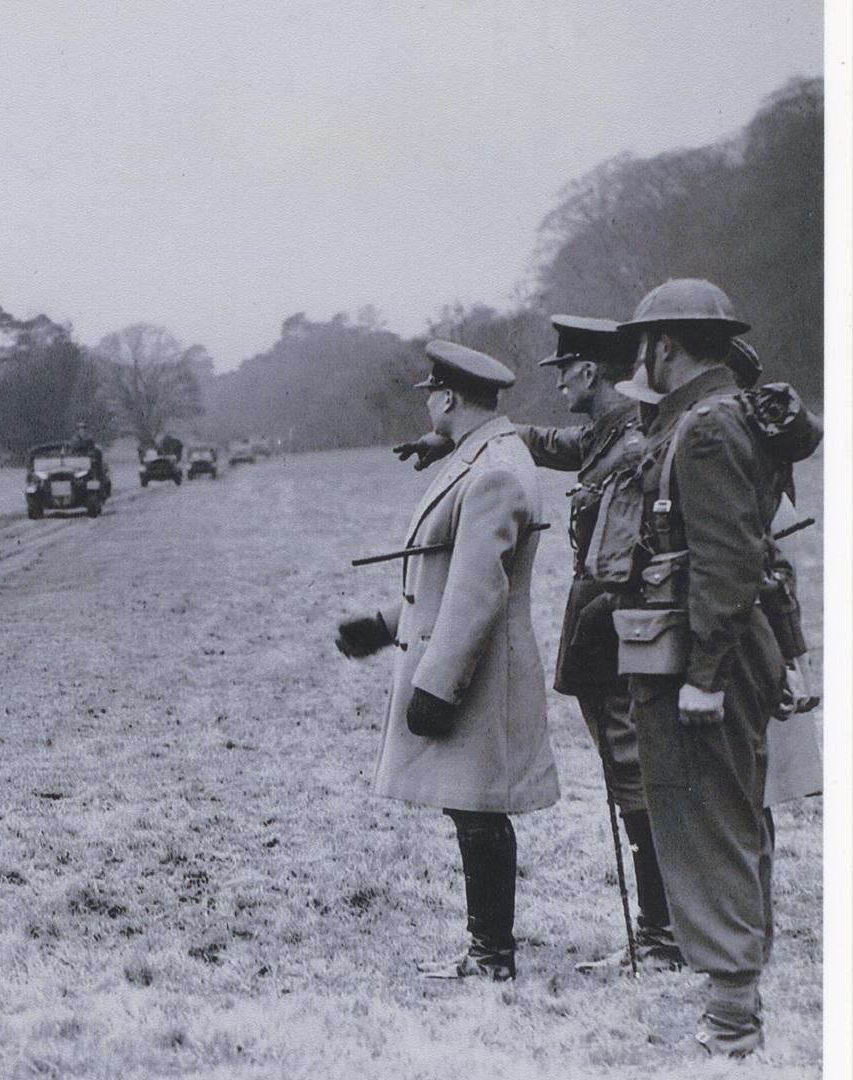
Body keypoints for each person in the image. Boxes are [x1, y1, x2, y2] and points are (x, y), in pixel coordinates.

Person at [608, 279, 806, 1058]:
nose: (640, 360)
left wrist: (705, 675)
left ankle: (732, 1021)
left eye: (644, 347)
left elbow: (726, 565)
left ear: (665, 346)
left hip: (705, 655)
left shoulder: (708, 429)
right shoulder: (719, 415)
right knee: (729, 817)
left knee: (710, 825)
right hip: (709, 647)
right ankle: (733, 1001)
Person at [335, 340, 557, 981]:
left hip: (479, 668)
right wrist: (384, 627)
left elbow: (476, 591)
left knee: (479, 808)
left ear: (450, 398)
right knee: (473, 807)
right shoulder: (484, 457)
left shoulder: (492, 471)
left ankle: (492, 955)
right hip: (473, 663)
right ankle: (487, 950)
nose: (429, 403)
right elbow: (446, 579)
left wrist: (437, 686)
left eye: (432, 393)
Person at [515, 317, 682, 974]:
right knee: (631, 773)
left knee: (633, 774)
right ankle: (667, 929)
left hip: (618, 629)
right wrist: (464, 438)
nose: (557, 384)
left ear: (586, 371)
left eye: (562, 371)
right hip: (606, 625)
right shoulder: (605, 436)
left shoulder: (630, 447)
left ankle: (662, 936)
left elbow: (618, 566)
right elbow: (549, 441)